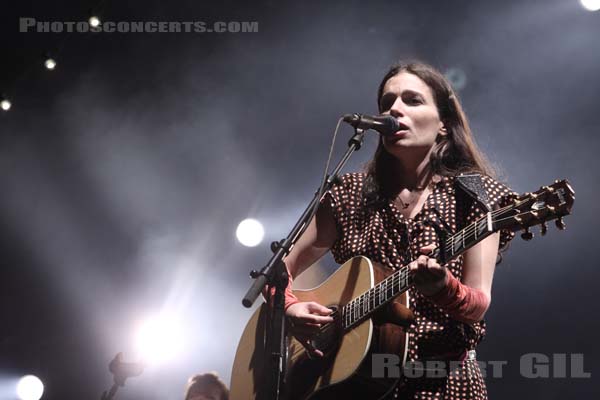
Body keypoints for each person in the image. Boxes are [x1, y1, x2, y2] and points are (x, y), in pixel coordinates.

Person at [279, 61, 515, 399]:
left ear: (444, 124)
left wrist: (443, 287)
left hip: (446, 385)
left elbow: (479, 303)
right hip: (355, 387)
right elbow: (278, 273)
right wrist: (290, 307)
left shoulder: (475, 195)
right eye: (387, 103)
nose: (395, 110)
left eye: (412, 100)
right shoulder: (350, 194)